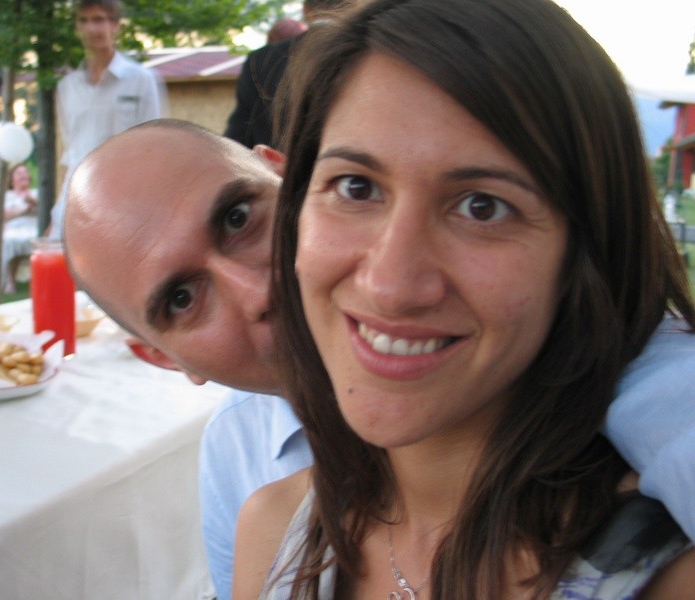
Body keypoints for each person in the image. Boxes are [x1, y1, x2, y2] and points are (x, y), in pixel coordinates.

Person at [64, 120, 695, 599]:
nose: (258, 290)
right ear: (163, 358)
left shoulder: (645, 402)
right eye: (182, 298)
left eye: (238, 217)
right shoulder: (241, 465)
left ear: (291, 178)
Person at [232, 0, 695, 598]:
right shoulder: (274, 533)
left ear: (586, 253)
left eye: (483, 206)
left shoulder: (667, 579)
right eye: (356, 187)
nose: (390, 285)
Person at [47, 0, 165, 238]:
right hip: (74, 208)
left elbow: (154, 149)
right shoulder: (67, 87)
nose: (92, 28)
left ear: (115, 25)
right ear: (77, 28)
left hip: (125, 209)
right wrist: (56, 218)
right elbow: (72, 153)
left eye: (99, 19)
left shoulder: (141, 80)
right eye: (84, 21)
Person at [223, 0, 358, 149]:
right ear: (354, 6)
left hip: (272, 162)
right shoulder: (365, 54)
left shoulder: (261, 59)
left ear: (306, 9)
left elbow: (239, 136)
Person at [2, 163, 38, 293]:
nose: (23, 175)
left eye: (25, 172)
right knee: (10, 241)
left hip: (34, 227)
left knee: (39, 239)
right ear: (12, 179)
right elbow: (3, 215)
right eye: (19, 173)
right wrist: (25, 210)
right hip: (13, 229)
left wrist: (34, 203)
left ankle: (38, 278)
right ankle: (10, 281)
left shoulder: (37, 192)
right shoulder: (7, 196)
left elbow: (47, 211)